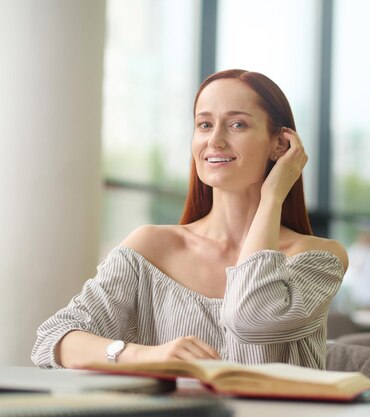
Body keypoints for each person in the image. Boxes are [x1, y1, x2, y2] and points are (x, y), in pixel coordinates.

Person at [31, 69, 348, 370]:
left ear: (280, 144)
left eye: (237, 125)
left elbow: (252, 317)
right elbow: (52, 340)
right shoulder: (152, 246)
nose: (215, 140)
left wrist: (273, 196)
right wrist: (144, 356)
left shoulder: (318, 257)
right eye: (205, 125)